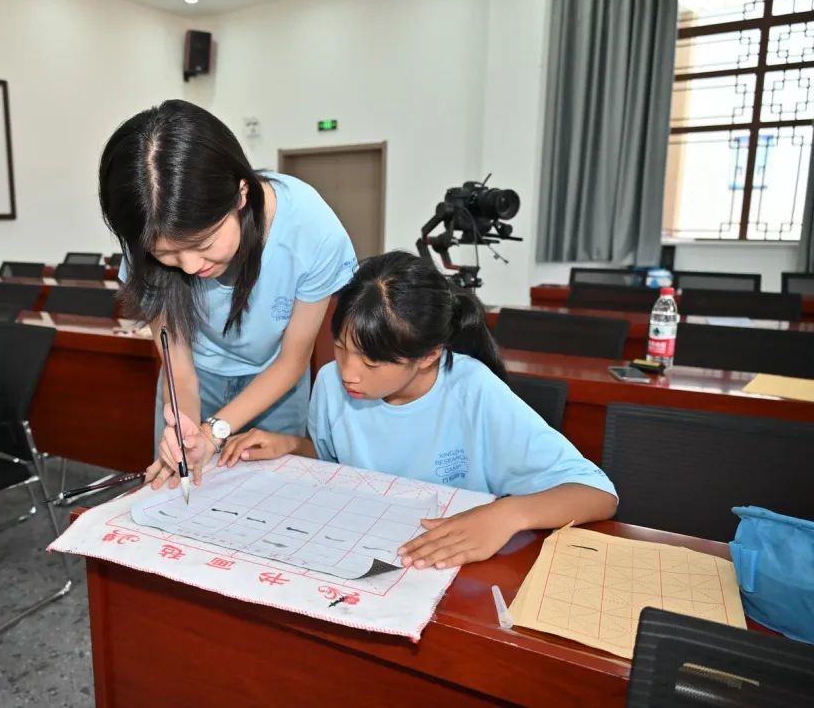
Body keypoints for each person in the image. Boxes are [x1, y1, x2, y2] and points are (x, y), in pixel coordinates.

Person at [215, 251, 618, 569]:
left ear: (428, 356)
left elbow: (598, 494)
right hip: (363, 549)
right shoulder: (330, 383)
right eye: (340, 348)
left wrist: (507, 514)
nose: (349, 373)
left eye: (372, 363)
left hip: (449, 563)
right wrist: (289, 446)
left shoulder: (474, 392)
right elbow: (337, 462)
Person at [99, 99, 357, 487]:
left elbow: (293, 360)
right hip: (195, 375)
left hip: (276, 381)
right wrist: (187, 435)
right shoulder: (146, 230)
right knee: (179, 484)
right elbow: (180, 369)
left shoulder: (311, 229)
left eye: (203, 243)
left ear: (240, 194)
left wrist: (214, 432)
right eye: (166, 254)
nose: (189, 266)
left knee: (275, 499)